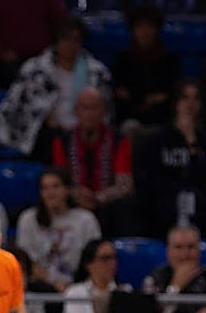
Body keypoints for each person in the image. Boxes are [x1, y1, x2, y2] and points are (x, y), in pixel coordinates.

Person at [0, 16, 111, 163]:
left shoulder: (97, 72)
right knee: (51, 138)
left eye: (76, 40)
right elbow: (16, 106)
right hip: (46, 131)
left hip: (85, 129)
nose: (71, 45)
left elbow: (106, 111)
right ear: (56, 41)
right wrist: (46, 116)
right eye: (66, 39)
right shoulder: (35, 69)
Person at [51, 86, 135, 236]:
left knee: (125, 206)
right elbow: (58, 180)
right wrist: (76, 195)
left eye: (95, 108)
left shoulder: (119, 140)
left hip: (108, 206)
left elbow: (124, 184)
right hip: (73, 202)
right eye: (85, 108)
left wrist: (98, 198)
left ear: (103, 111)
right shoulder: (62, 141)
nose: (89, 113)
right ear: (76, 111)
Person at [134, 79, 205, 238]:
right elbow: (148, 179)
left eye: (195, 99)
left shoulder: (203, 141)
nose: (190, 104)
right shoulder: (157, 139)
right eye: (185, 98)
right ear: (176, 103)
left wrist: (192, 144)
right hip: (164, 205)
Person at [15, 166, 101, 291]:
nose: (50, 193)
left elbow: (95, 259)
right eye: (45, 188)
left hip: (79, 284)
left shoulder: (85, 219)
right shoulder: (28, 219)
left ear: (67, 190)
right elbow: (26, 261)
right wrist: (54, 282)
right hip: (41, 285)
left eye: (56, 186)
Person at [112, 4, 179, 135]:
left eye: (150, 26)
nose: (145, 32)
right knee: (129, 128)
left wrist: (149, 99)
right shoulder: (122, 60)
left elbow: (172, 95)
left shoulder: (170, 60)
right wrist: (151, 99)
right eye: (139, 26)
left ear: (157, 30)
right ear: (133, 30)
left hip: (162, 121)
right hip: (130, 121)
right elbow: (120, 96)